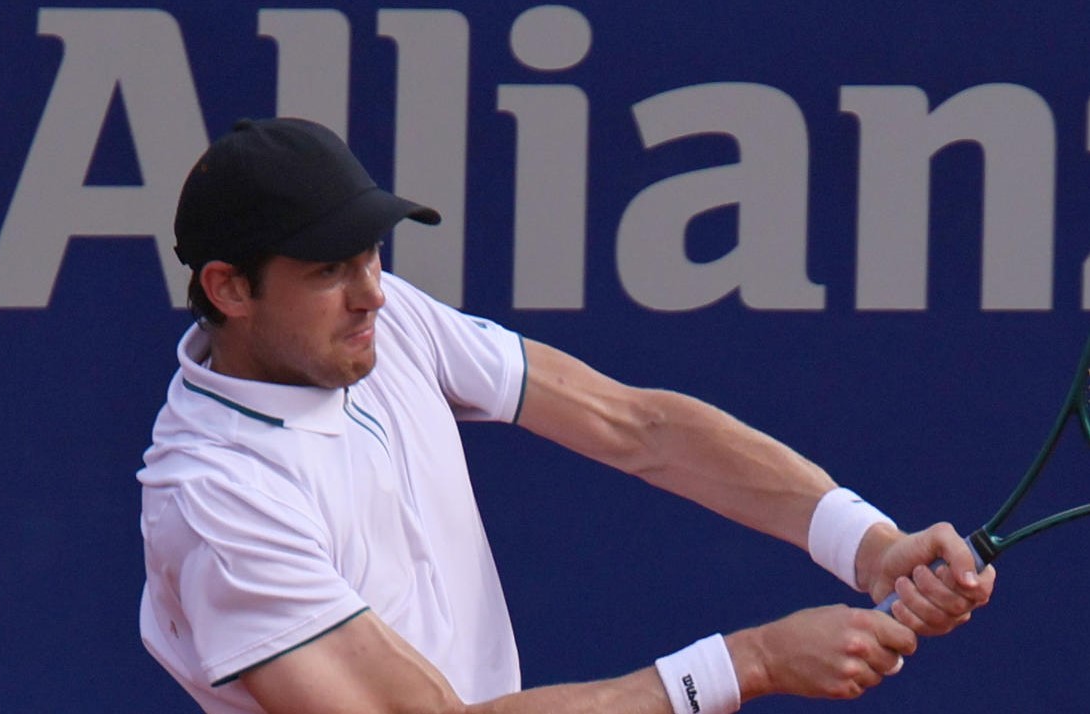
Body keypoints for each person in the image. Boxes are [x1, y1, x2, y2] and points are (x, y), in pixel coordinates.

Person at [137, 117, 995, 714]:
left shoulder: (379, 323)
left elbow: (637, 427)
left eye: (372, 256)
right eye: (329, 270)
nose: (372, 294)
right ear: (229, 289)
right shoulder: (216, 502)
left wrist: (867, 544)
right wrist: (751, 662)